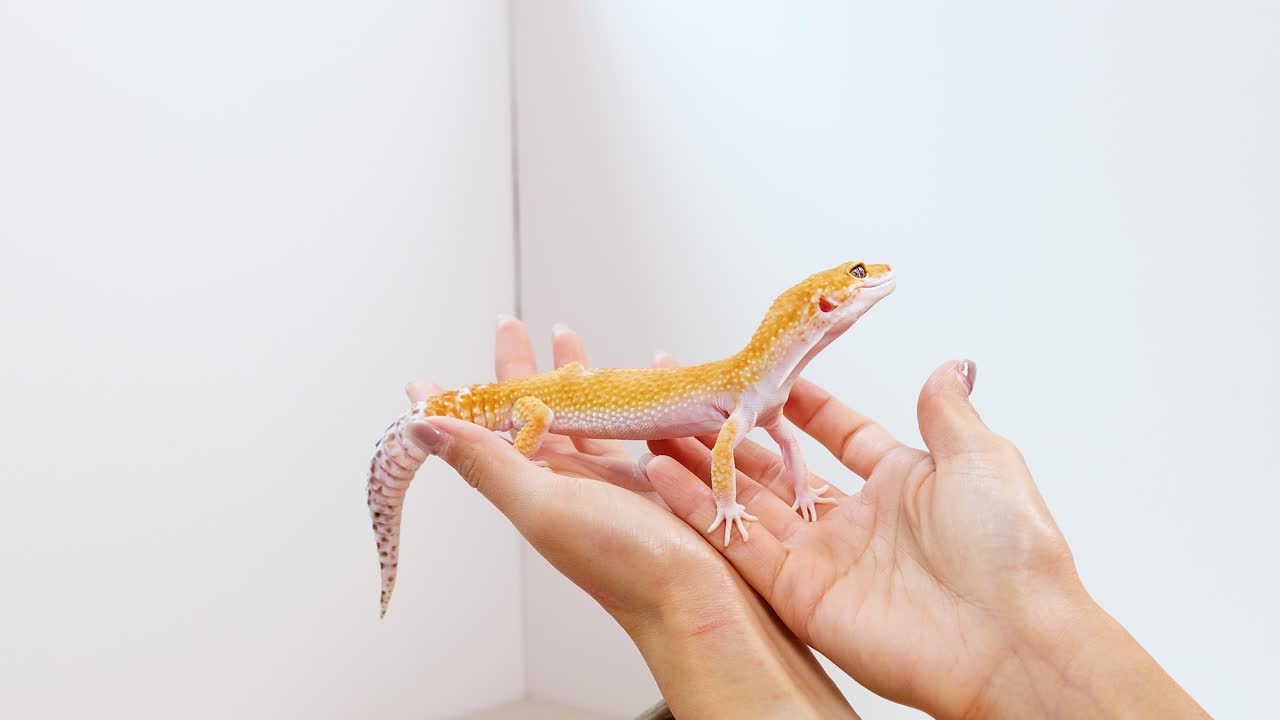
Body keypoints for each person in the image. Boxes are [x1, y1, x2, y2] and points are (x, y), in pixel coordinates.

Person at [403, 317, 1210, 719]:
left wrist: (701, 595)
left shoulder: (764, 395)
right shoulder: (744, 392)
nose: (867, 289)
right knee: (532, 416)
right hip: (540, 410)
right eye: (855, 282)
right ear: (819, 306)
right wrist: (719, 507)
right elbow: (725, 454)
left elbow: (772, 443)